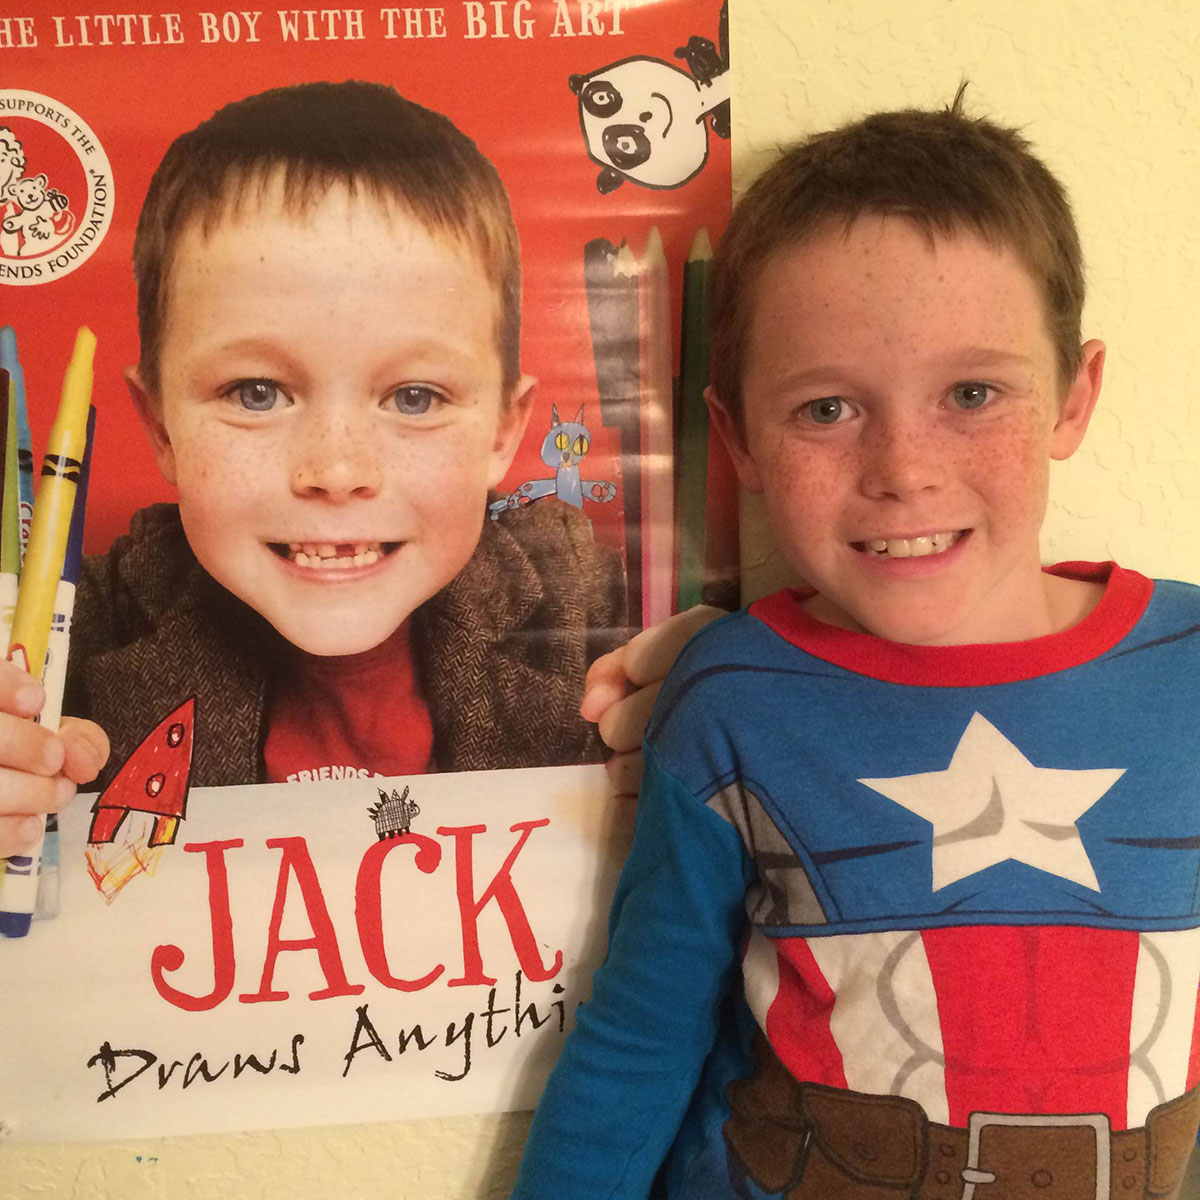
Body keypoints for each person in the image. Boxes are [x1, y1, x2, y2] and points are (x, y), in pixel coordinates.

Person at [513, 91, 1200, 1199]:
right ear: (735, 435)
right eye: (827, 410)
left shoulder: (1191, 668)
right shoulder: (731, 696)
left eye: (972, 392)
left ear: (1075, 398)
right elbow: (639, 1041)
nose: (903, 469)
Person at [0, 80, 629, 854]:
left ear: (502, 432)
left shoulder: (604, 618)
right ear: (160, 425)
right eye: (256, 393)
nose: (336, 470)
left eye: (414, 396)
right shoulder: (64, 641)